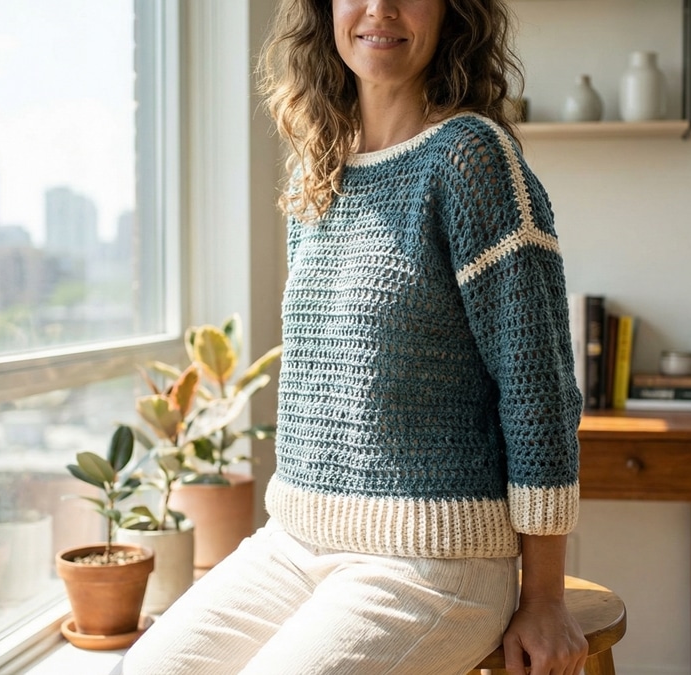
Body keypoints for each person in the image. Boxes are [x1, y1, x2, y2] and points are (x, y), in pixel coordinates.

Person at [118, 0, 586, 673]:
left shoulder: (472, 160)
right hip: (293, 543)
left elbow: (538, 391)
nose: (381, 8)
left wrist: (544, 595)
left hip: (433, 557)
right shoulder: (319, 166)